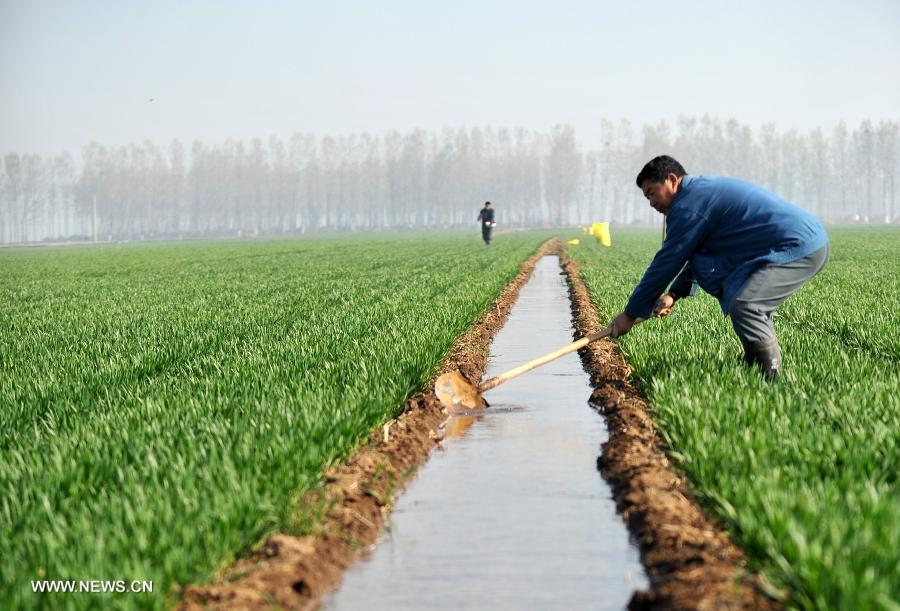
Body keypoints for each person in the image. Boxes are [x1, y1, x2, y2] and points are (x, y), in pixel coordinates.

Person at [609, 155, 829, 380]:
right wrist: (674, 294)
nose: (651, 203)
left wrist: (630, 314)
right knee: (749, 303)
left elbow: (667, 262)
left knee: (747, 305)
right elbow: (697, 253)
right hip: (798, 241)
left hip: (799, 245)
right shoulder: (697, 196)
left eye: (652, 193)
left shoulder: (688, 205)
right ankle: (755, 368)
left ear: (672, 180)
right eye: (647, 197)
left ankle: (769, 379)